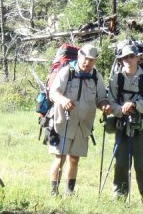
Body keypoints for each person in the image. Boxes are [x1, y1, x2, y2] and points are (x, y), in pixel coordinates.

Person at [48, 44, 113, 196]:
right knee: (60, 158)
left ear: (95, 61)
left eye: (91, 60)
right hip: (63, 122)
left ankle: (69, 192)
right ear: (79, 57)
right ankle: (54, 192)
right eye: (85, 59)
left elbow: (101, 98)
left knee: (75, 159)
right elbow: (54, 93)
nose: (87, 63)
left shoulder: (97, 77)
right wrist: (64, 101)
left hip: (83, 125)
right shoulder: (66, 72)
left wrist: (105, 106)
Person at [107, 44, 143, 205]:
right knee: (121, 163)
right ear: (121, 60)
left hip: (141, 125)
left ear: (138, 57)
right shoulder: (116, 78)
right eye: (124, 57)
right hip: (121, 125)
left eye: (131, 56)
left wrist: (136, 106)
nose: (128, 60)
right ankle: (119, 198)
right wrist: (121, 110)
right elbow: (111, 102)